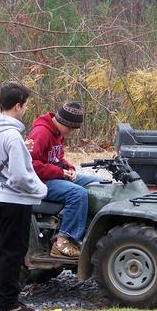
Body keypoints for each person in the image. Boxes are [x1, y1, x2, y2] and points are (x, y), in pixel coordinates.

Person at [0, 82, 47, 311]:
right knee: (14, 251)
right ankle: (8, 302)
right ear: (18, 106)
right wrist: (39, 190)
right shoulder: (12, 136)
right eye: (25, 104)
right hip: (15, 201)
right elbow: (19, 176)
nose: (26, 108)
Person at [28, 101, 101, 258]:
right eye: (71, 128)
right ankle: (62, 240)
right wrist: (60, 173)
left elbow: (57, 159)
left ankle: (87, 231)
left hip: (53, 175)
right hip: (39, 181)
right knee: (78, 193)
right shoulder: (42, 132)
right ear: (63, 122)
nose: (71, 132)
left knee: (97, 184)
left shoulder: (57, 132)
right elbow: (31, 165)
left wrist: (70, 170)